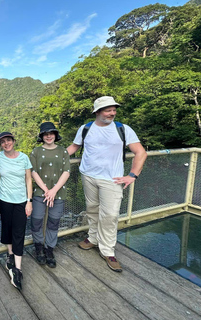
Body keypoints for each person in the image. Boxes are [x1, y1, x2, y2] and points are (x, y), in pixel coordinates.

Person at [67, 96, 147, 272]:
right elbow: (74, 147)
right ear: (97, 112)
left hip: (112, 179)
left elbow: (140, 152)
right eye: (108, 110)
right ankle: (93, 238)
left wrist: (132, 175)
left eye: (114, 109)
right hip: (88, 175)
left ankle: (108, 250)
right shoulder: (86, 128)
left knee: (110, 215)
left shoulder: (123, 129)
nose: (112, 113)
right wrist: (52, 158)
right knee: (92, 209)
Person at [0, 132, 33, 290]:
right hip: (4, 199)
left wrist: (29, 202)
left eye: (8, 140)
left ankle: (17, 268)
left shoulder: (23, 157)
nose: (6, 143)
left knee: (19, 231)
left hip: (21, 201)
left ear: (13, 141)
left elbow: (28, 179)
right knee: (7, 228)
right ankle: (10, 254)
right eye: (3, 142)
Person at [30, 122, 70, 268]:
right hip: (40, 192)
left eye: (51, 133)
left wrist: (53, 191)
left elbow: (66, 171)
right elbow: (33, 172)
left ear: (55, 135)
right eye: (45, 134)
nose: (48, 136)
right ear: (42, 136)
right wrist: (47, 190)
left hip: (58, 192)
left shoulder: (63, 151)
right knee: (36, 221)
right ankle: (39, 247)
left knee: (53, 222)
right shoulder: (36, 151)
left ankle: (49, 249)